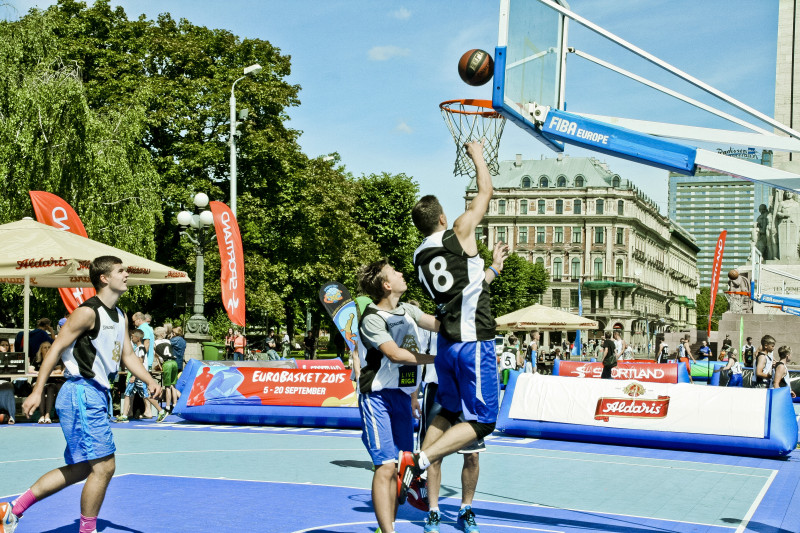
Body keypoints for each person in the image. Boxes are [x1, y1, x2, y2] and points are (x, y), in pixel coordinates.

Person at [1, 256, 162, 533]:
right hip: (81, 393)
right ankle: (86, 530)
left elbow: (127, 355)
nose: (127, 275)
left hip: (96, 395)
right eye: (121, 271)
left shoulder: (121, 316)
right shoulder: (87, 312)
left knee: (83, 468)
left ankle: (11, 510)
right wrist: (37, 390)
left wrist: (149, 380)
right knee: (104, 467)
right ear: (104, 278)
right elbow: (54, 349)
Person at [402, 140, 508, 532]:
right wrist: (477, 153)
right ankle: (421, 460)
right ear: (444, 217)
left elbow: (464, 290)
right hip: (472, 342)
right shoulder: (460, 231)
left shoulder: (418, 259)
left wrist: (491, 269)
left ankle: (425, 460)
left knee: (448, 410)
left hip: (446, 345)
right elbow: (485, 193)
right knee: (483, 421)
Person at [356, 260, 437, 533]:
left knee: (403, 469)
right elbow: (395, 354)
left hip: (402, 397)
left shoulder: (409, 310)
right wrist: (439, 359)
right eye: (395, 272)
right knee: (386, 466)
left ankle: (386, 522)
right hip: (376, 397)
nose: (402, 273)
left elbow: (438, 325)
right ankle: (388, 531)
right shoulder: (372, 318)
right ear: (386, 285)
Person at [117, 329, 161, 422]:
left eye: (132, 337)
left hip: (138, 377)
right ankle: (125, 415)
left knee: (145, 395)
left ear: (137, 338)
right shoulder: (137, 348)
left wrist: (134, 376)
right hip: (137, 376)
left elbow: (139, 363)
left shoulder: (140, 348)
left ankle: (161, 411)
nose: (131, 338)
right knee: (128, 394)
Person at [153, 327, 174, 422]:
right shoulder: (168, 341)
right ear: (162, 334)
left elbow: (156, 356)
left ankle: (168, 406)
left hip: (166, 364)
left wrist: (160, 366)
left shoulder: (155, 343)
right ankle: (174, 404)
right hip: (174, 362)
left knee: (167, 386)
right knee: (173, 385)